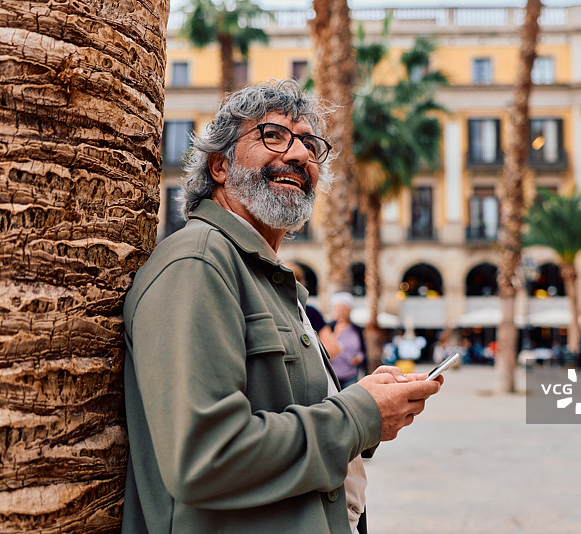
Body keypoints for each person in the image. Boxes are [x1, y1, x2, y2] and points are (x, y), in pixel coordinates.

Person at [121, 80, 442, 534]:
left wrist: (370, 402)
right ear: (218, 165)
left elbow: (289, 409)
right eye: (273, 135)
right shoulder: (198, 262)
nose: (297, 155)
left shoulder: (267, 277)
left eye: (309, 144)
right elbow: (205, 457)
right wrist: (359, 414)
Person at [326, 292, 366, 389]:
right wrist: (335, 334)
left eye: (342, 309)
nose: (339, 311)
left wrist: (359, 358)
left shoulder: (356, 329)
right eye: (337, 308)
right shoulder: (328, 327)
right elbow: (325, 349)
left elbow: (362, 351)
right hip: (332, 376)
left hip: (351, 376)